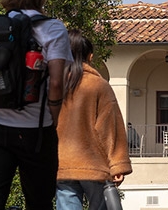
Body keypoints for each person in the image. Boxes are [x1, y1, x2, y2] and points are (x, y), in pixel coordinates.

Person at [0, 0, 72, 210]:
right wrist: (54, 117)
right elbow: (57, 82)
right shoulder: (52, 28)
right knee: (39, 202)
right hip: (34, 128)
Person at [55, 30, 133, 210]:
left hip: (63, 165)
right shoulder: (98, 85)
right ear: (90, 56)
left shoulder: (53, 86)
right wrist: (117, 164)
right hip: (94, 165)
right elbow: (109, 128)